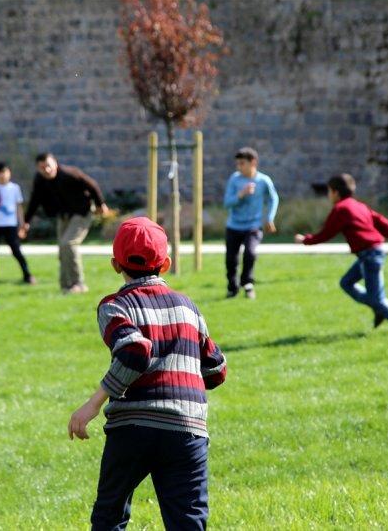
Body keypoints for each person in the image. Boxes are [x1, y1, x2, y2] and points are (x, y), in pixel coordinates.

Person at [68, 216, 227, 530]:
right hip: (187, 428)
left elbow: (135, 351)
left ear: (115, 264)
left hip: (132, 427)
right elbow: (216, 370)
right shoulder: (188, 307)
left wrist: (93, 404)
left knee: (109, 517)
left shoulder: (115, 306)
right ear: (166, 264)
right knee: (188, 521)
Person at [294, 173, 388, 333]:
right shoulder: (359, 205)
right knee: (346, 283)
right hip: (369, 254)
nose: (328, 195)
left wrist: (305, 240)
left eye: (329, 191)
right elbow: (381, 221)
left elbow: (325, 234)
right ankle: (378, 308)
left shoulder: (340, 209)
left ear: (335, 193)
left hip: (370, 255)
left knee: (378, 299)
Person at [21, 152, 109, 294]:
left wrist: (100, 204)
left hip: (81, 213)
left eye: (48, 166)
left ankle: (79, 284)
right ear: (38, 168)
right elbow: (34, 200)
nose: (47, 170)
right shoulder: (40, 180)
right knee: (63, 249)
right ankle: (65, 286)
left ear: (55, 163)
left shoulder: (70, 174)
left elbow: (92, 185)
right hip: (64, 216)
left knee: (69, 244)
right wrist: (26, 222)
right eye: (42, 168)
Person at [223, 147, 279, 299]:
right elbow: (226, 203)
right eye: (238, 164)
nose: (239, 167)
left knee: (250, 253)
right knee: (231, 259)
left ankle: (247, 284)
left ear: (253, 162)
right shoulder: (234, 179)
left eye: (242, 163)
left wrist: (270, 218)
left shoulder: (263, 180)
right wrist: (240, 194)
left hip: (253, 226)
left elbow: (274, 198)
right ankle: (232, 288)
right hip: (234, 226)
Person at [0, 162, 35, 285]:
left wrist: (22, 223)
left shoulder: (14, 188)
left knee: (16, 251)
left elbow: (18, 207)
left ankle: (27, 275)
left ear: (9, 173)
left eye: (4, 172)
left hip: (10, 224)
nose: (2, 175)